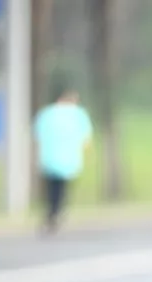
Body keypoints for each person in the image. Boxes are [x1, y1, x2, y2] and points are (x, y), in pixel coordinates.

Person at [33, 87, 93, 234]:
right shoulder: (78, 114)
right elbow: (86, 139)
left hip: (49, 158)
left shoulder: (46, 114)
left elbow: (37, 136)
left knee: (52, 188)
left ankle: (52, 212)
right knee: (62, 189)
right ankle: (56, 212)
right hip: (68, 160)